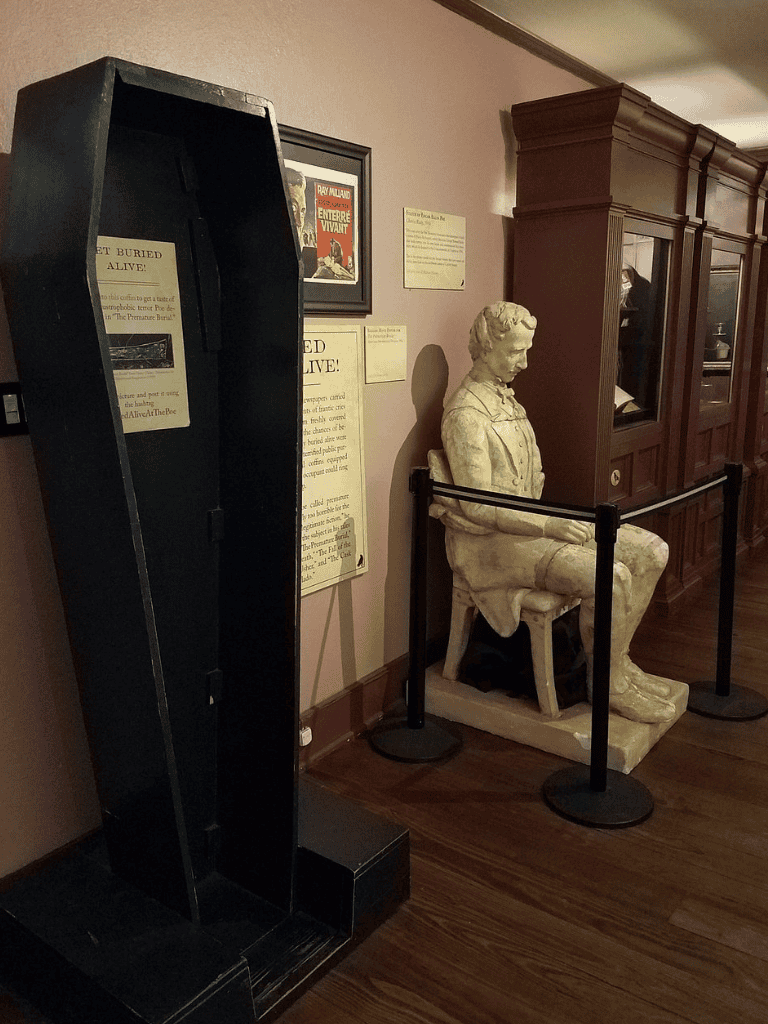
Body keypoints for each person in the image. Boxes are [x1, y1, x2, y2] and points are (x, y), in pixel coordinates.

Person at [438, 301, 677, 724]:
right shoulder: (465, 413)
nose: (525, 363)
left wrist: (548, 521)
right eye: (516, 352)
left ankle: (617, 665)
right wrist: (549, 524)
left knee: (652, 551)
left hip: (527, 526)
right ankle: (609, 685)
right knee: (611, 576)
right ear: (487, 347)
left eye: (526, 351)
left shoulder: (507, 402)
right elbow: (478, 504)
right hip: (490, 545)